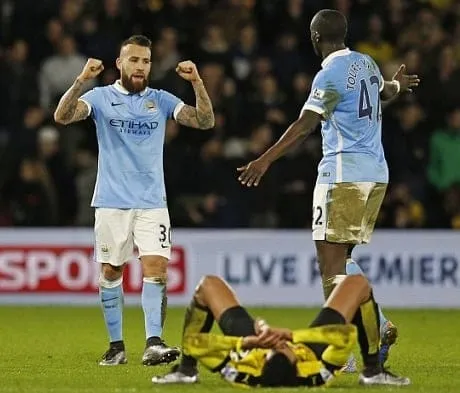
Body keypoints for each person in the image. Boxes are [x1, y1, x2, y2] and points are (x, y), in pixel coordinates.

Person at [236, 9, 419, 365]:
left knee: (330, 267)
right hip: (375, 175)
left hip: (343, 174)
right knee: (343, 260)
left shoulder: (329, 74)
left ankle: (366, 334)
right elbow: (384, 92)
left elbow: (305, 125)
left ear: (315, 37)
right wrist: (399, 84)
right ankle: (357, 339)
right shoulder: (365, 63)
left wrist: (265, 160)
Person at [54, 35, 215, 366]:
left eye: (146, 61)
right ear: (120, 63)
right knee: (112, 271)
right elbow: (62, 116)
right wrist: (81, 80)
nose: (140, 66)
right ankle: (116, 347)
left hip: (152, 202)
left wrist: (198, 83)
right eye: (134, 60)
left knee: (156, 267)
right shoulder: (99, 97)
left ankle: (154, 342)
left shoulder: (162, 99)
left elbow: (204, 121)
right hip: (112, 202)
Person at [151, 274, 410, 387]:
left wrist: (250, 344)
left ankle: (186, 371)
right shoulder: (317, 372)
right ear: (296, 359)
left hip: (253, 343)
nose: (279, 346)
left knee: (207, 286)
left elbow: (197, 343)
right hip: (312, 346)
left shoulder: (243, 372)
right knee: (359, 285)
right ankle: (373, 371)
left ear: (262, 362)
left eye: (273, 351)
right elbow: (343, 336)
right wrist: (293, 338)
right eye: (284, 350)